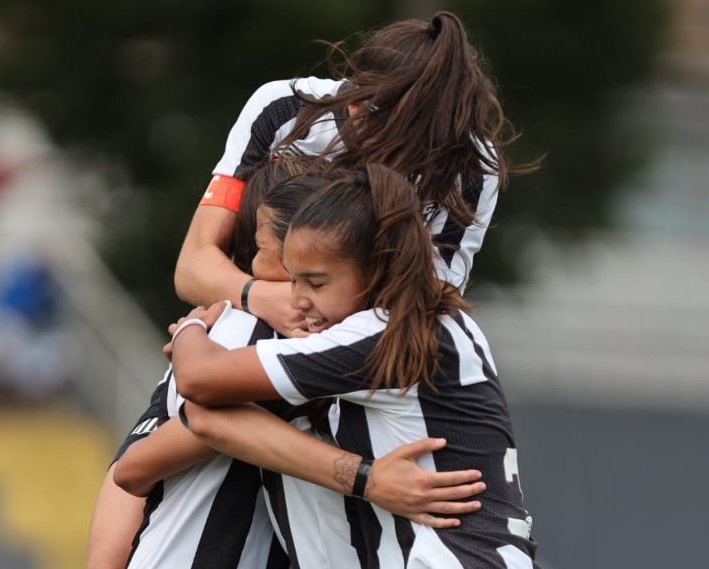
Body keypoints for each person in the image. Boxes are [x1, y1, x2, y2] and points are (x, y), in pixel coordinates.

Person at [88, 160, 487, 569]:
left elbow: (136, 467)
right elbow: (138, 466)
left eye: (259, 251)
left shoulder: (332, 341)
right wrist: (365, 478)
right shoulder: (248, 334)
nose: (251, 268)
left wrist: (189, 330)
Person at [172, 164, 539, 568]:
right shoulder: (443, 323)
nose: (296, 301)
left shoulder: (379, 334)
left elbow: (197, 380)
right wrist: (366, 477)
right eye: (293, 280)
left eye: (316, 282)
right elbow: (208, 417)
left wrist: (191, 327)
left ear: (375, 268)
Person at [175, 11, 529, 336]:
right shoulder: (281, 106)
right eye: (408, 141)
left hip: (354, 354)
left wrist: (314, 306)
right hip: (245, 320)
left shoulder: (470, 163)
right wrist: (265, 299)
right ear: (358, 104)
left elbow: (425, 309)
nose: (418, 160)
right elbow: (192, 265)